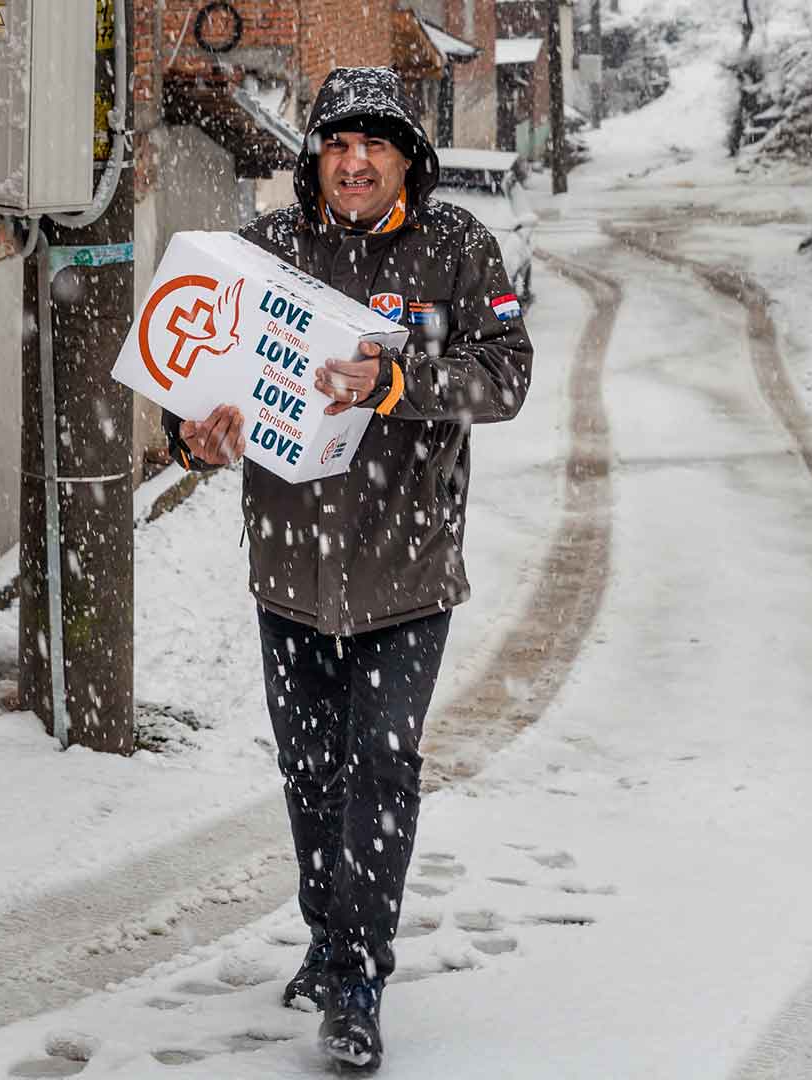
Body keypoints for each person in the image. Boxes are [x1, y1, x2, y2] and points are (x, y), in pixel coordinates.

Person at [163, 66, 534, 1071]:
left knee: (383, 770)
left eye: (374, 144)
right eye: (336, 144)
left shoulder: (458, 249)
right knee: (310, 770)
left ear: (407, 156)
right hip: (290, 570)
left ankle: (362, 972)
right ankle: (327, 934)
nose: (354, 162)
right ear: (313, 157)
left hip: (405, 572)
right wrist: (195, 436)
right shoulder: (265, 253)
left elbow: (506, 374)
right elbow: (192, 390)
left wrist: (401, 380)